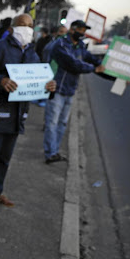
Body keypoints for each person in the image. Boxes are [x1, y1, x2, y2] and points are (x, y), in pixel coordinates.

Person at [0, 14, 56, 217]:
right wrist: (1, 80)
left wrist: (49, 86)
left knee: (5, 158)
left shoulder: (34, 53)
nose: (27, 29)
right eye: (22, 25)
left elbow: (38, 80)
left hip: (19, 114)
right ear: (12, 28)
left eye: (30, 26)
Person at [43, 20, 105, 164]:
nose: (82, 33)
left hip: (70, 90)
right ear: (72, 30)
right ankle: (50, 153)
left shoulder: (81, 46)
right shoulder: (60, 45)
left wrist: (113, 74)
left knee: (62, 123)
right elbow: (73, 64)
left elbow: (92, 59)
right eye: (80, 30)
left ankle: (55, 151)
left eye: (84, 30)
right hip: (57, 88)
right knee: (52, 123)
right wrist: (94, 69)